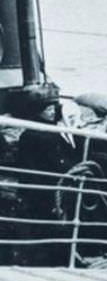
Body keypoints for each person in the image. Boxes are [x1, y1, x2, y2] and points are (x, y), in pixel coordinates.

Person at [16, 91, 81, 265]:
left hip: (56, 185)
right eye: (47, 108)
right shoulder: (32, 136)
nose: (52, 111)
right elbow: (29, 166)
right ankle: (55, 258)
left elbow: (64, 156)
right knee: (48, 224)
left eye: (53, 107)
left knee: (59, 224)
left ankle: (64, 256)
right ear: (37, 111)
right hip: (44, 188)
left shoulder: (51, 131)